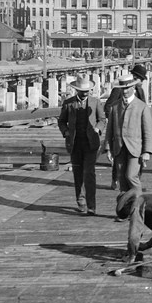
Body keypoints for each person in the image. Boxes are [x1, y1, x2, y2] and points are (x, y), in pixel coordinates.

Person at [58, 76, 106, 215]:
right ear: (77, 90)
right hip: (75, 144)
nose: (85, 93)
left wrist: (98, 129)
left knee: (89, 173)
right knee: (77, 174)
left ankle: (91, 205)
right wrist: (66, 132)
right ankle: (81, 201)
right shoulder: (68, 103)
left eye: (87, 90)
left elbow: (102, 119)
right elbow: (61, 121)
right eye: (82, 91)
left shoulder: (95, 102)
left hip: (90, 144)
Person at [106, 75, 152, 203]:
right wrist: (108, 149)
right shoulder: (115, 106)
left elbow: (148, 131)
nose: (125, 91)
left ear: (133, 87)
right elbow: (110, 130)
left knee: (131, 176)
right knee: (122, 179)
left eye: (127, 88)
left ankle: (137, 206)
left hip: (135, 149)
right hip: (119, 148)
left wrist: (147, 151)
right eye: (123, 89)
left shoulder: (142, 107)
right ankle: (125, 208)